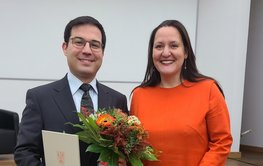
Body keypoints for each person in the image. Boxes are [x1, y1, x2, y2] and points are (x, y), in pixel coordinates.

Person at [14, 16, 128, 166]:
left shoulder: (117, 99)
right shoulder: (40, 98)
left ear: (102, 52)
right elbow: (25, 152)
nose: (87, 50)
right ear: (65, 47)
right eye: (79, 42)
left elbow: (126, 151)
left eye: (95, 45)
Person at [130, 20, 232, 166]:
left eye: (174, 45)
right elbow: (134, 147)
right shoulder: (139, 95)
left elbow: (222, 142)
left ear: (185, 52)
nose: (166, 52)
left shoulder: (208, 89)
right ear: (152, 53)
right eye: (159, 46)